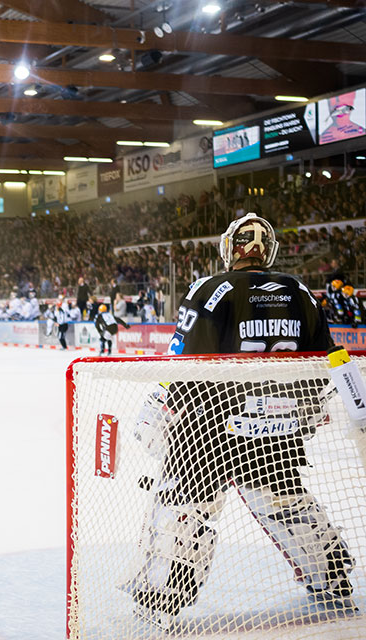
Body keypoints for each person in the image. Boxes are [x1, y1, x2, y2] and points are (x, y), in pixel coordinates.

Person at [125, 213, 353, 627]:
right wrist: (324, 403)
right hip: (279, 428)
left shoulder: (212, 288)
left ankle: (162, 595)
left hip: (212, 426)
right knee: (284, 503)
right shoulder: (300, 291)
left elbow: (185, 362)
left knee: (183, 506)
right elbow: (326, 359)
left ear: (232, 249)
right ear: (268, 250)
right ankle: (333, 576)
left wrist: (160, 408)